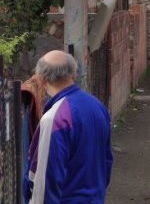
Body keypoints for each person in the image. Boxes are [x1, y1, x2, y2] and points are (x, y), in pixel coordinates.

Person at [23, 50, 113, 203]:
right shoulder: (97, 106)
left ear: (41, 80)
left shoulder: (54, 117)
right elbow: (107, 160)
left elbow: (46, 177)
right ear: (73, 74)